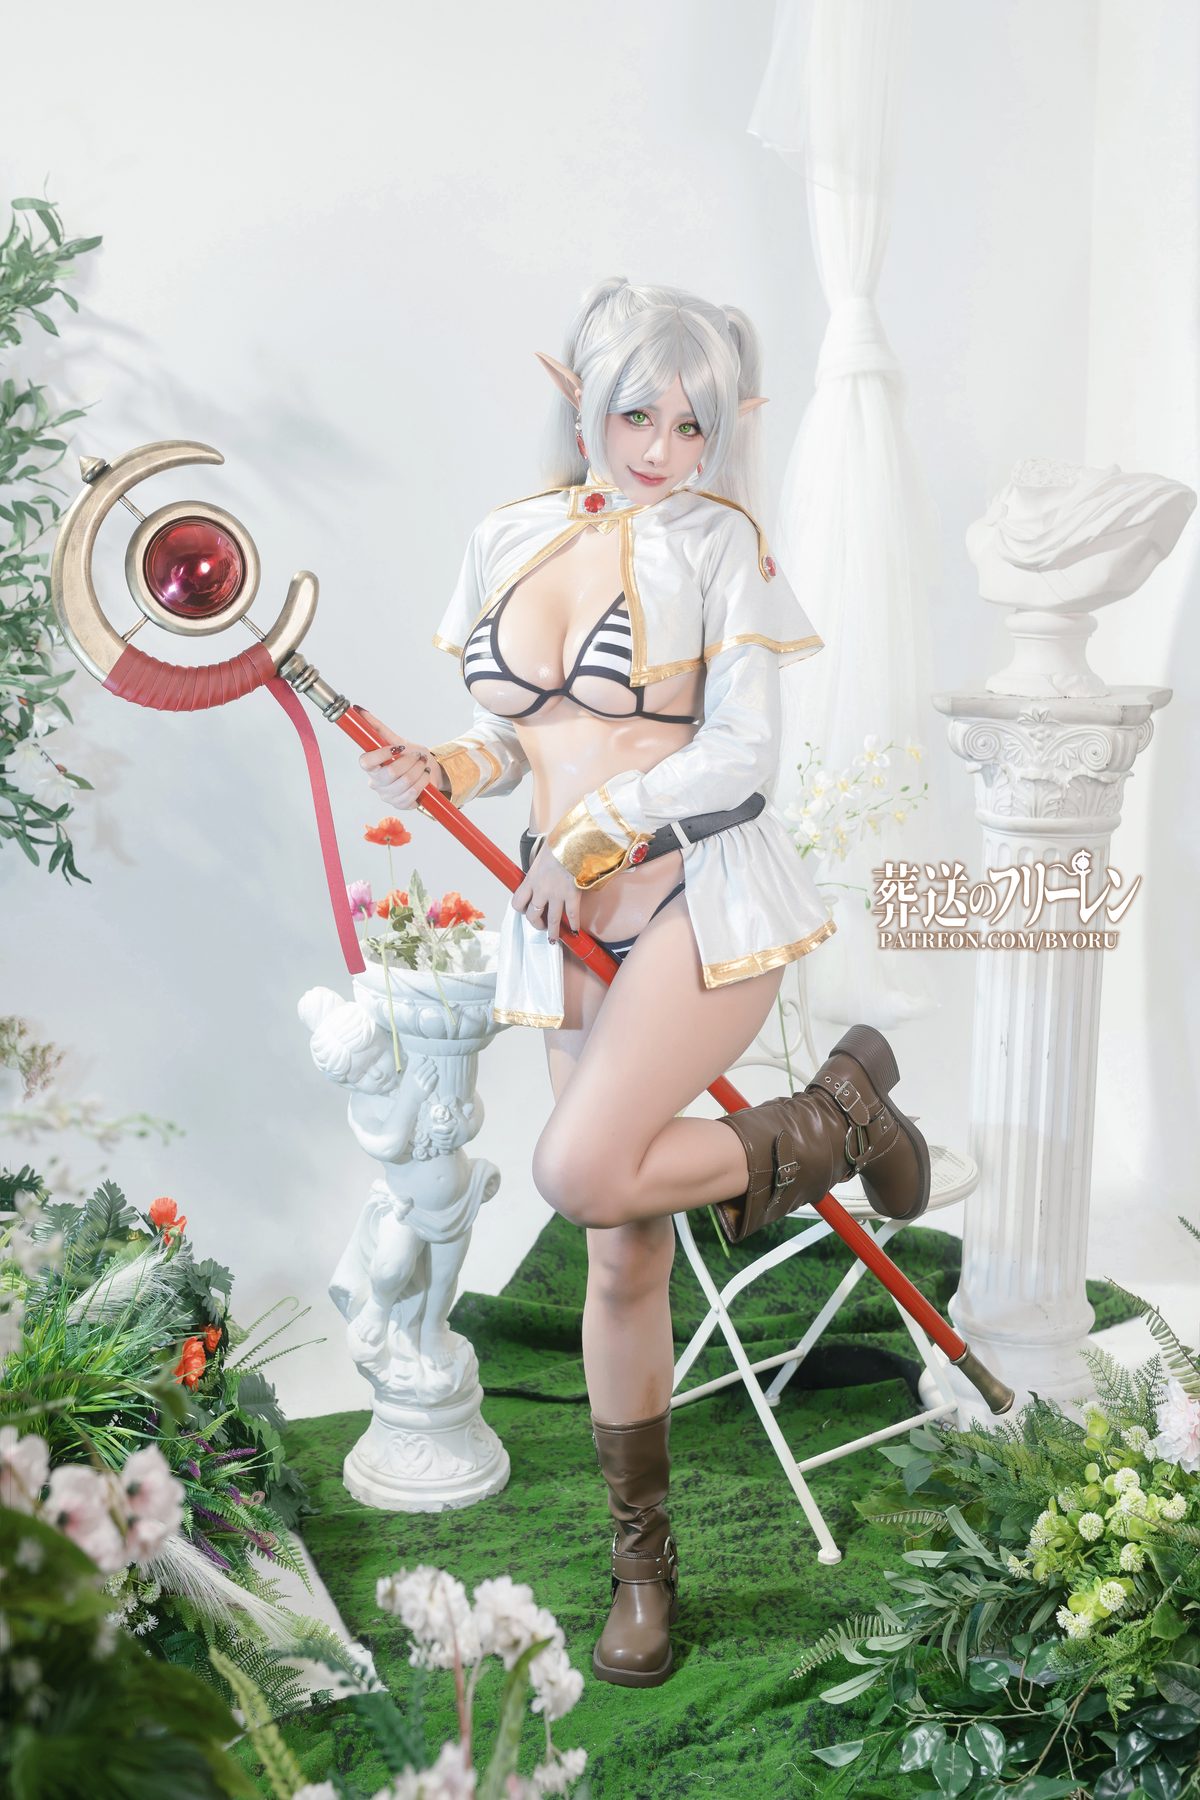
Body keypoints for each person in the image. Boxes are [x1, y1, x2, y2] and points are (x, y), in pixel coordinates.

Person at [359, 278, 930, 1688]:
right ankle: (643, 1568)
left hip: (695, 898)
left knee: (578, 1169)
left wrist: (598, 832)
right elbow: (522, 735)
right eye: (638, 416)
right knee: (620, 1245)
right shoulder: (511, 534)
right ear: (583, 404)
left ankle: (836, 1120)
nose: (664, 449)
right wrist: (446, 768)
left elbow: (743, 753)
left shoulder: (724, 546)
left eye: (693, 424)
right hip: (561, 919)